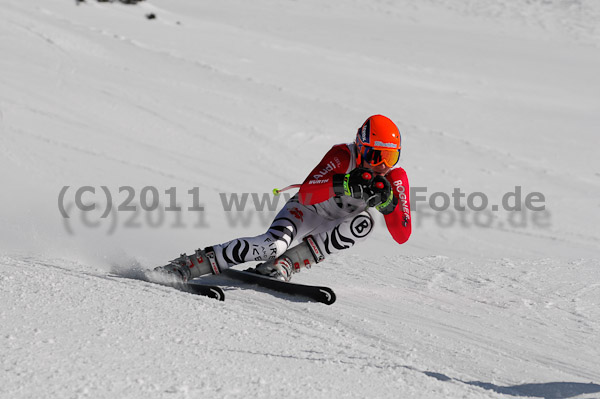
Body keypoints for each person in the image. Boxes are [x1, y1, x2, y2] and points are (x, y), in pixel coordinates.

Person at [153, 114, 412, 283]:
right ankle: (190, 265)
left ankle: (285, 265)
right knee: (271, 245)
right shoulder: (344, 155)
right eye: (378, 157)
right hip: (307, 211)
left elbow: (403, 234)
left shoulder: (394, 178)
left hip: (333, 225)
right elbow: (309, 191)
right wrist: (344, 183)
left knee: (365, 222)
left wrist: (390, 205)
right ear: (363, 148)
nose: (383, 167)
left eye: (391, 158)